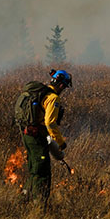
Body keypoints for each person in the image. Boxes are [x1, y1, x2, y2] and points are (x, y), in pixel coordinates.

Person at [20, 69, 72, 209]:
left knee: (34, 170)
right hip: (37, 138)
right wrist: (60, 142)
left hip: (27, 136)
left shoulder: (41, 93)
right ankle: (39, 207)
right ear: (61, 85)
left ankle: (24, 200)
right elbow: (50, 123)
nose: (64, 90)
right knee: (43, 172)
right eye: (65, 87)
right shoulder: (53, 98)